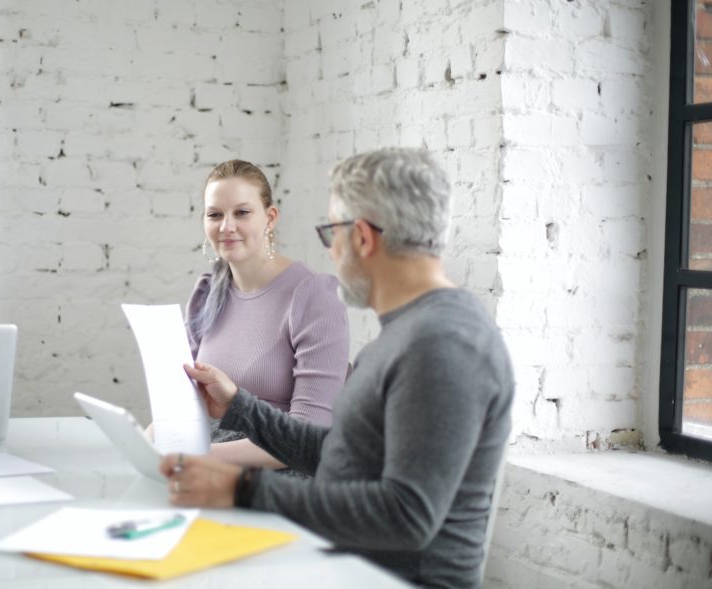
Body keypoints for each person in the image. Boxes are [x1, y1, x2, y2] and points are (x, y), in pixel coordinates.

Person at [160, 149, 514, 589]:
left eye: (332, 234)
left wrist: (245, 490)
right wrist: (240, 406)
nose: (331, 254)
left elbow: (407, 515)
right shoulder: (411, 331)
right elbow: (344, 452)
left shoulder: (441, 346)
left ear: (362, 238)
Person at [185, 159, 349, 469]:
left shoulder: (313, 297)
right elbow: (183, 401)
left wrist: (196, 458)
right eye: (214, 214)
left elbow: (309, 437)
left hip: (278, 474)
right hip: (202, 460)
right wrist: (151, 439)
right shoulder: (207, 291)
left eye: (242, 213)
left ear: (270, 218)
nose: (226, 226)